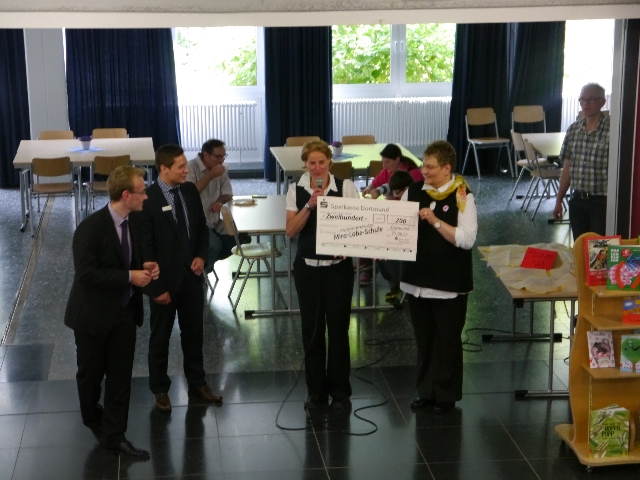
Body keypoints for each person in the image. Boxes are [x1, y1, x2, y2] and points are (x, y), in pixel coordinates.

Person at [64, 166, 159, 458]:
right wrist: (130, 276)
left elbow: (131, 259)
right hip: (92, 317)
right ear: (126, 195)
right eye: (142, 191)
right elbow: (87, 274)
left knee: (120, 377)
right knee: (90, 378)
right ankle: (95, 420)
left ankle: (115, 434)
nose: (146, 196)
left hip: (124, 313)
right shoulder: (90, 229)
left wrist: (145, 267)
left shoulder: (135, 221)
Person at [141, 144, 222, 413]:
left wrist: (201, 256)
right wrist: (156, 288)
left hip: (191, 278)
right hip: (164, 283)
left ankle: (197, 383)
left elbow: (201, 229)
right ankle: (160, 389)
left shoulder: (188, 191)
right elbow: (145, 249)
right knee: (160, 338)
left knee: (194, 335)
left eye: (186, 165)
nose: (187, 170)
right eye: (181, 167)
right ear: (164, 169)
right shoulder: (148, 199)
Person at [401, 140, 477, 414]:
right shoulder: (412, 191)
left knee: (447, 341)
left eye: (430, 167)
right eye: (423, 165)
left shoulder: (462, 195)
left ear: (447, 168)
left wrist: (434, 221)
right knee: (424, 340)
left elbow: (467, 239)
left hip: (448, 283)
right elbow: (397, 227)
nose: (424, 171)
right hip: (417, 281)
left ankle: (446, 395)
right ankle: (426, 392)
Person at [285, 139, 360, 410]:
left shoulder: (346, 187)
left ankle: (340, 391)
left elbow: (359, 225)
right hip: (307, 269)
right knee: (312, 330)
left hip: (337, 270)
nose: (317, 168)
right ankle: (315, 392)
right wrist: (310, 205)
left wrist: (349, 246)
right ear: (305, 164)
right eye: (312, 163)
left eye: (322, 162)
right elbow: (291, 231)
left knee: (339, 330)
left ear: (330, 162)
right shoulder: (296, 189)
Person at [553, 83, 610, 239]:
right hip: (578, 200)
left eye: (591, 99)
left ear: (602, 102)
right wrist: (559, 201)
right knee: (579, 246)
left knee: (598, 250)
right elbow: (567, 169)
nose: (585, 103)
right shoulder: (573, 130)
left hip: (602, 203)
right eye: (582, 99)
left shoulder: (612, 129)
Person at [186, 139, 237, 272]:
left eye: (224, 156)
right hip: (196, 224)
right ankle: (201, 274)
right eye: (218, 157)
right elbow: (190, 193)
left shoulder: (221, 169)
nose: (222, 160)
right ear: (206, 155)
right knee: (215, 246)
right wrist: (211, 175)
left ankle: (206, 262)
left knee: (238, 237)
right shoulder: (190, 167)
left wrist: (219, 201)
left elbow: (228, 193)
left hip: (214, 221)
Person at [377, 169, 415, 305]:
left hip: (410, 247)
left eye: (398, 193)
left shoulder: (414, 201)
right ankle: (395, 286)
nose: (396, 196)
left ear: (406, 189)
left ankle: (400, 285)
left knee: (388, 256)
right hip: (400, 241)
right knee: (379, 252)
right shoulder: (403, 196)